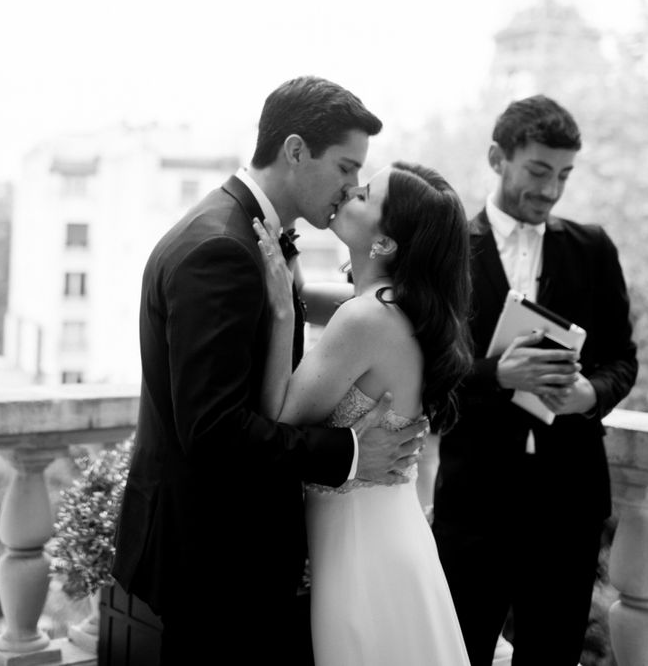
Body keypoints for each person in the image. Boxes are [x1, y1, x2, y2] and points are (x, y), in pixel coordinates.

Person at [111, 76, 429, 665]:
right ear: (295, 150)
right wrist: (349, 455)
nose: (351, 187)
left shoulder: (243, 235)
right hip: (211, 565)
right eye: (345, 167)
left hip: (227, 560)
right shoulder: (223, 251)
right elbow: (213, 432)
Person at [432, 95, 638, 666]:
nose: (551, 191)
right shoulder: (447, 254)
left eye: (564, 176)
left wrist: (589, 394)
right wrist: (496, 374)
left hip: (568, 504)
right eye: (539, 172)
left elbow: (623, 358)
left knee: (553, 656)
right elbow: (427, 370)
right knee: (458, 653)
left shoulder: (593, 249)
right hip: (474, 502)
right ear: (498, 158)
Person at [253, 161, 473, 666]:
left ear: (384, 244)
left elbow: (279, 419)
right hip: (387, 536)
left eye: (363, 194)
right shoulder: (402, 311)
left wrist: (283, 312)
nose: (348, 189)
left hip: (362, 555)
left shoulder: (366, 317)